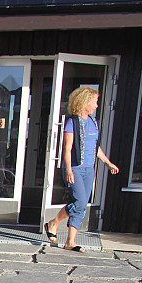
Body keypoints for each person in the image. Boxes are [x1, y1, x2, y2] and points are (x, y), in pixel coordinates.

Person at [44, 86, 119, 252]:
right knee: (79, 202)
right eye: (95, 102)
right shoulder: (73, 122)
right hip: (75, 168)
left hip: (89, 169)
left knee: (82, 204)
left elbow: (95, 147)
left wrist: (108, 163)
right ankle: (54, 223)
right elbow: (67, 148)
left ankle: (70, 241)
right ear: (85, 102)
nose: (96, 106)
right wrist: (69, 169)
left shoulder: (92, 122)